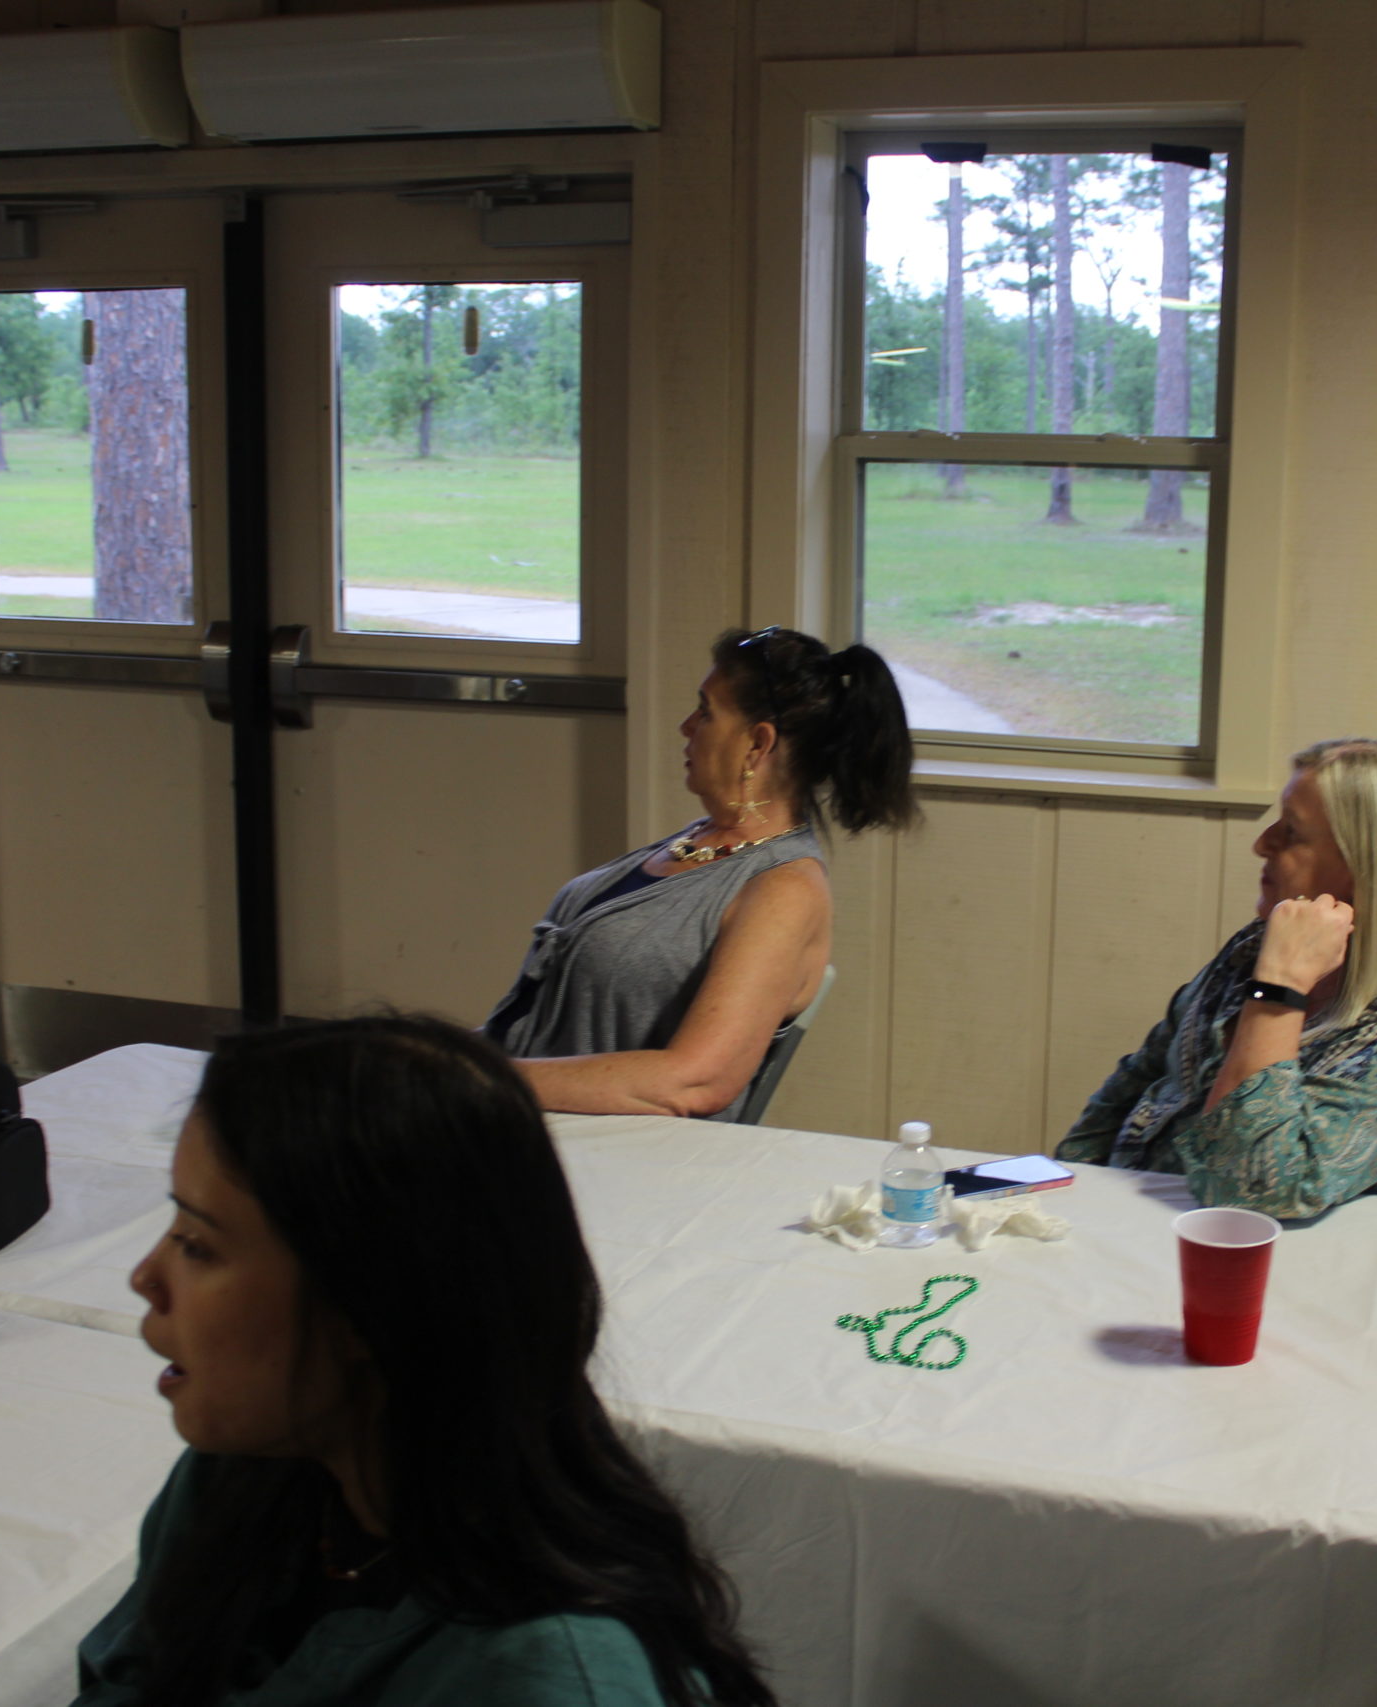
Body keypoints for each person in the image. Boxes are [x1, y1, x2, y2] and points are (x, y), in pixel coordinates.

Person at [79, 1015, 778, 1707]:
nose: (145, 1277)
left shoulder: (545, 1674)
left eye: (197, 1244)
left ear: (367, 1304)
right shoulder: (248, 1476)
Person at [1057, 739, 1377, 1220]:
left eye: (1291, 832)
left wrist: (1280, 989)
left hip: (1277, 1253)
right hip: (1146, 1222)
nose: (1261, 844)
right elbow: (1141, 1077)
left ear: (1367, 867)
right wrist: (1070, 1189)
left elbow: (1248, 1190)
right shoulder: (1255, 948)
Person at [489, 626, 917, 1119]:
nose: (686, 726)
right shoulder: (697, 841)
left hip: (603, 1152)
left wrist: (479, 1079)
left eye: (706, 712)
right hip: (522, 1119)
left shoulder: (784, 889)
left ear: (758, 743)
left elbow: (697, 1080)